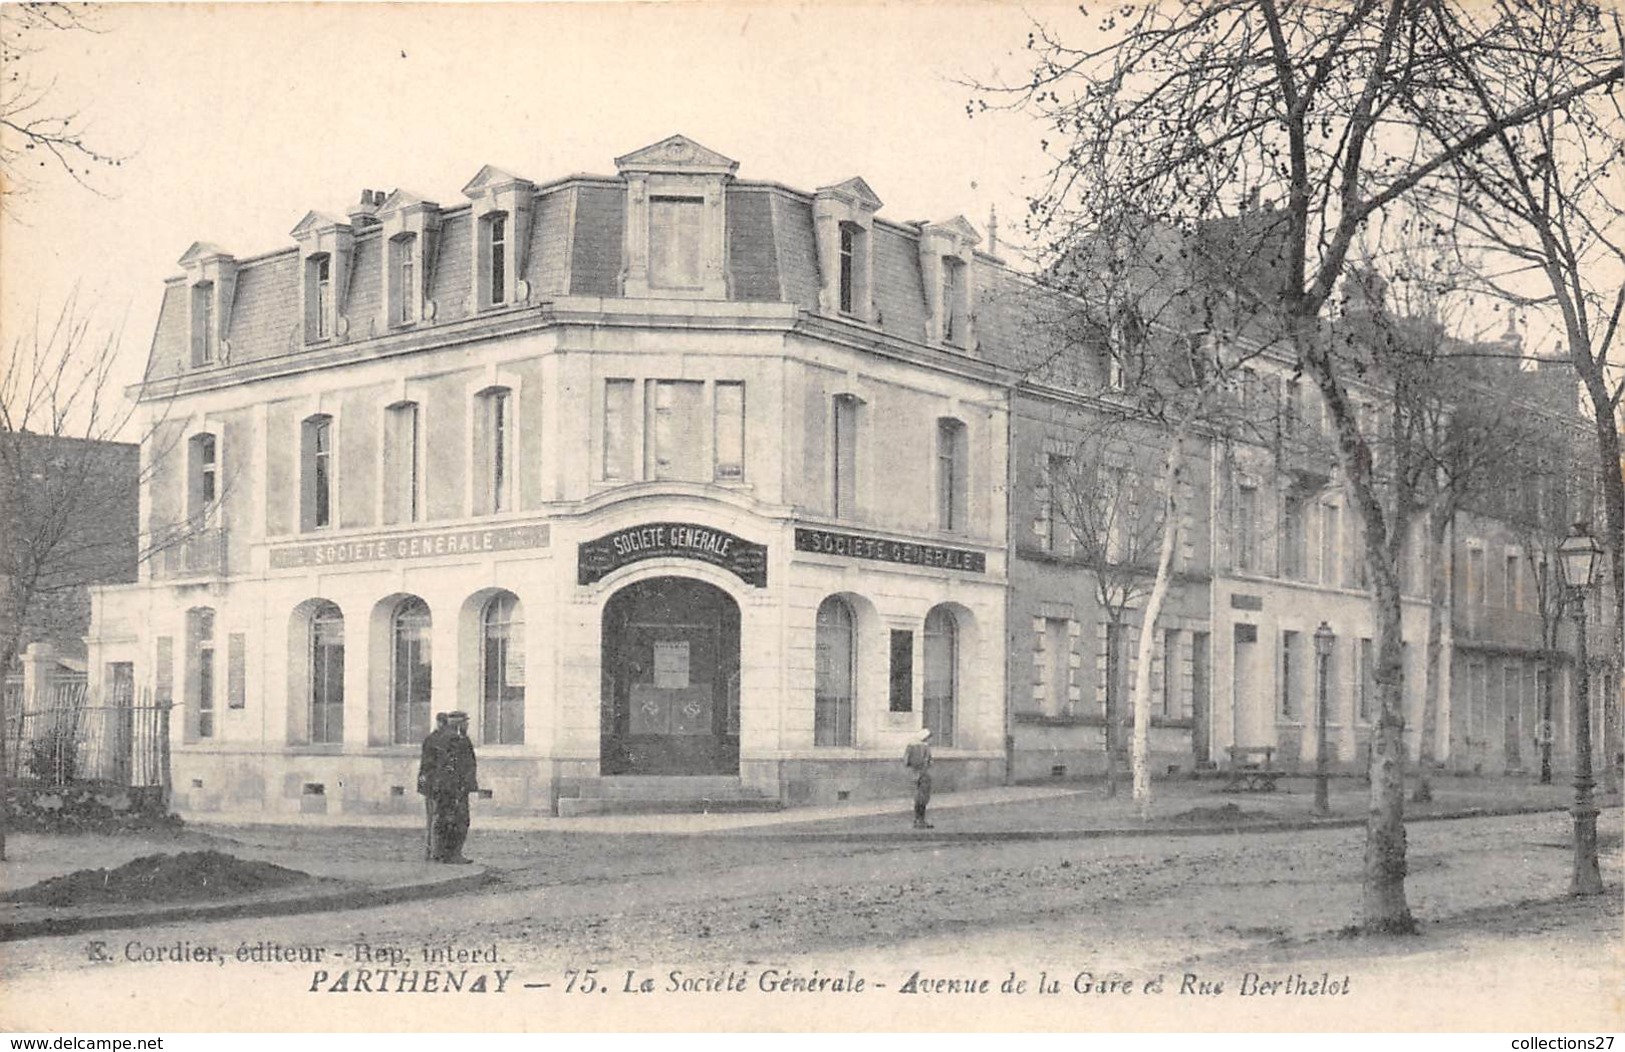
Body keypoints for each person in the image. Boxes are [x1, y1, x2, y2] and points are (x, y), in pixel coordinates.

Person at [433, 711, 480, 863]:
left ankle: (440, 853)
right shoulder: (456, 740)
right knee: (458, 821)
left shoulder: (440, 737)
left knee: (444, 819)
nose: (467, 725)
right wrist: (459, 786)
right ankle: (453, 854)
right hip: (455, 789)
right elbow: (454, 765)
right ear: (460, 724)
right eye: (465, 722)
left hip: (445, 788)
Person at [416, 713, 450, 861]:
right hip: (435, 786)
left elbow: (424, 766)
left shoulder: (432, 739)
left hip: (432, 785)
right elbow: (427, 765)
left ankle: (431, 851)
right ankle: (433, 852)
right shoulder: (437, 740)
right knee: (435, 819)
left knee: (433, 820)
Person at [904, 728, 933, 829]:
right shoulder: (925, 747)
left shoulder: (910, 746)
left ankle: (917, 819)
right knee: (924, 798)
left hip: (914, 773)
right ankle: (921, 820)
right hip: (924, 774)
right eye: (930, 738)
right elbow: (928, 761)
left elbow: (906, 761)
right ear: (926, 738)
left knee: (917, 797)